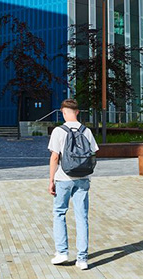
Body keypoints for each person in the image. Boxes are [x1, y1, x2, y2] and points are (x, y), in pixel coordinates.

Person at [47, 98, 99, 270]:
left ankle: (62, 253)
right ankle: (82, 259)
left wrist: (51, 180)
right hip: (83, 179)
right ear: (77, 112)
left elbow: (55, 157)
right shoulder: (87, 131)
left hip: (63, 178)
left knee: (59, 213)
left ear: (63, 112)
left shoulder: (58, 131)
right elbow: (93, 154)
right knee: (81, 217)